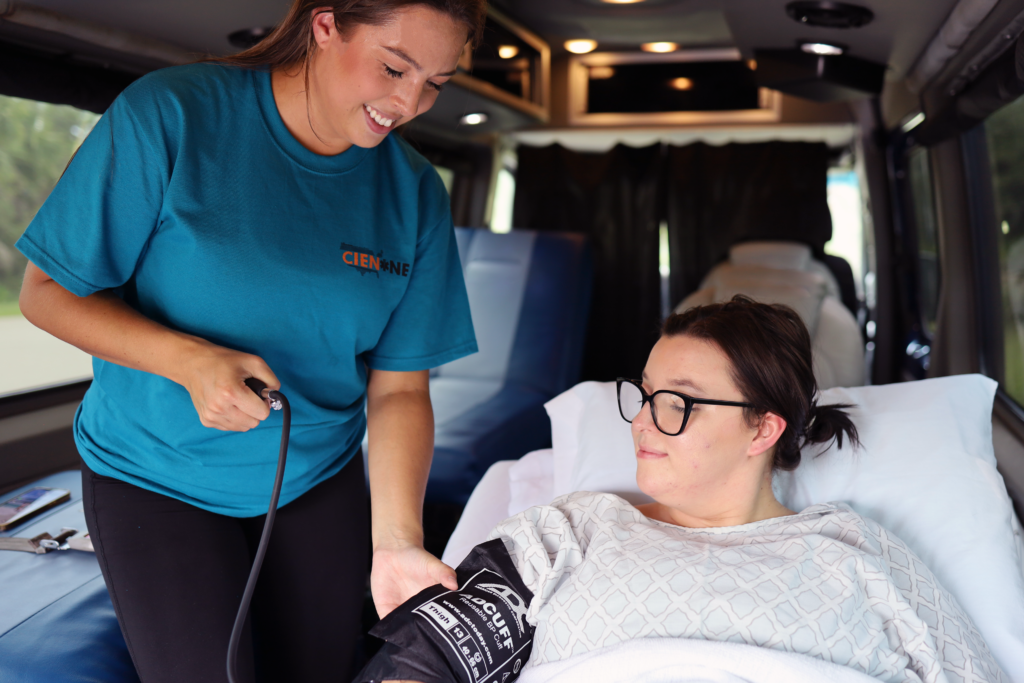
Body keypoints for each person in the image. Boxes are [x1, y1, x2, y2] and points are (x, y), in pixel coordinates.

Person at [15, 1, 484, 681]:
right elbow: (47, 293)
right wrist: (190, 361)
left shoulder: (413, 191)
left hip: (316, 477)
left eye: (435, 83)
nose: (409, 101)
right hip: (155, 472)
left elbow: (401, 387)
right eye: (394, 66)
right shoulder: (171, 114)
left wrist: (398, 542)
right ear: (326, 26)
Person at [366, 297, 1007, 683]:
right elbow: (435, 656)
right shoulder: (571, 532)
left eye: (678, 404)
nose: (644, 421)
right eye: (645, 395)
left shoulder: (854, 551)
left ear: (763, 428)